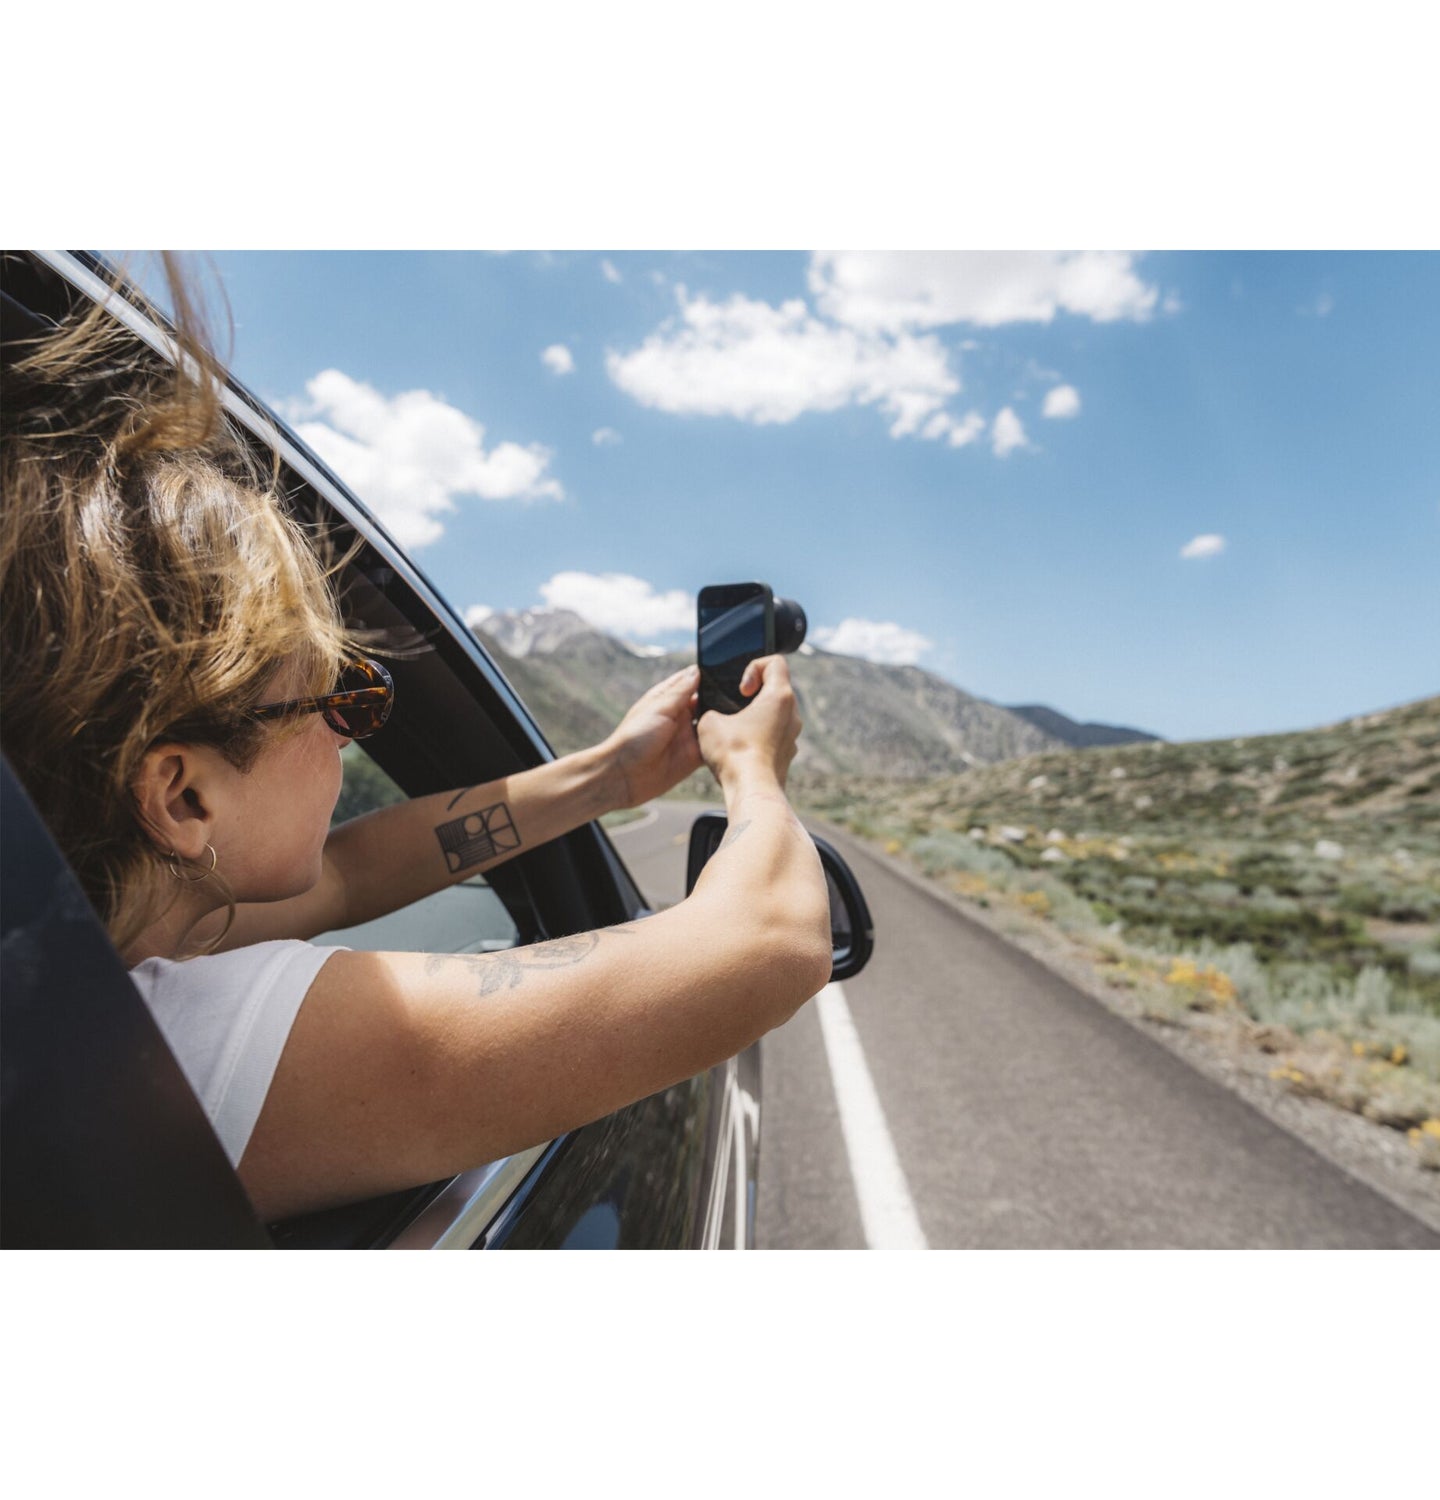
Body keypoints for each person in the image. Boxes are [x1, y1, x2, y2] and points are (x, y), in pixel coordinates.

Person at [0, 255, 832, 1223]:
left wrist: (608, 774)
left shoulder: (81, 963)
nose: (351, 741)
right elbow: (769, 941)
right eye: (332, 703)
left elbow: (349, 875)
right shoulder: (191, 1042)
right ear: (184, 797)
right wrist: (754, 773)